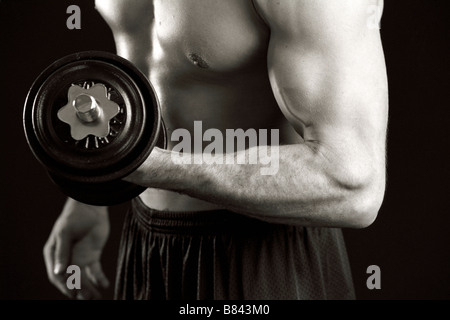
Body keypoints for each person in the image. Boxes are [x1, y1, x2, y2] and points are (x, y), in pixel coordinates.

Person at [43, 0, 388, 300]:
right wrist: (90, 194)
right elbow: (150, 65)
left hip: (262, 253)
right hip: (146, 241)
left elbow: (351, 183)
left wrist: (141, 167)